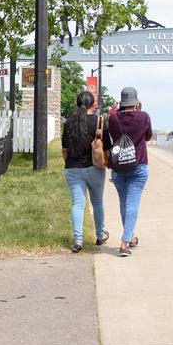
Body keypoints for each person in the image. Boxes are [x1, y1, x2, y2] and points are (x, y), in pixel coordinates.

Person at [105, 86, 153, 257]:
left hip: (119, 166)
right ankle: (125, 243)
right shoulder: (144, 117)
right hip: (139, 165)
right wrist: (139, 111)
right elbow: (147, 137)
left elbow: (112, 134)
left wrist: (116, 110)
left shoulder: (113, 118)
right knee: (132, 204)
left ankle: (130, 237)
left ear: (122, 102)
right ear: (136, 101)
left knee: (124, 203)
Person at [61, 90, 108, 253]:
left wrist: (70, 164)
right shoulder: (98, 121)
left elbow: (64, 150)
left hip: (73, 169)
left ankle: (78, 240)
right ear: (93, 104)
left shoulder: (68, 123)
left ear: (77, 103)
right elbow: (106, 147)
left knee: (78, 204)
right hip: (94, 168)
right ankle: (100, 236)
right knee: (98, 202)